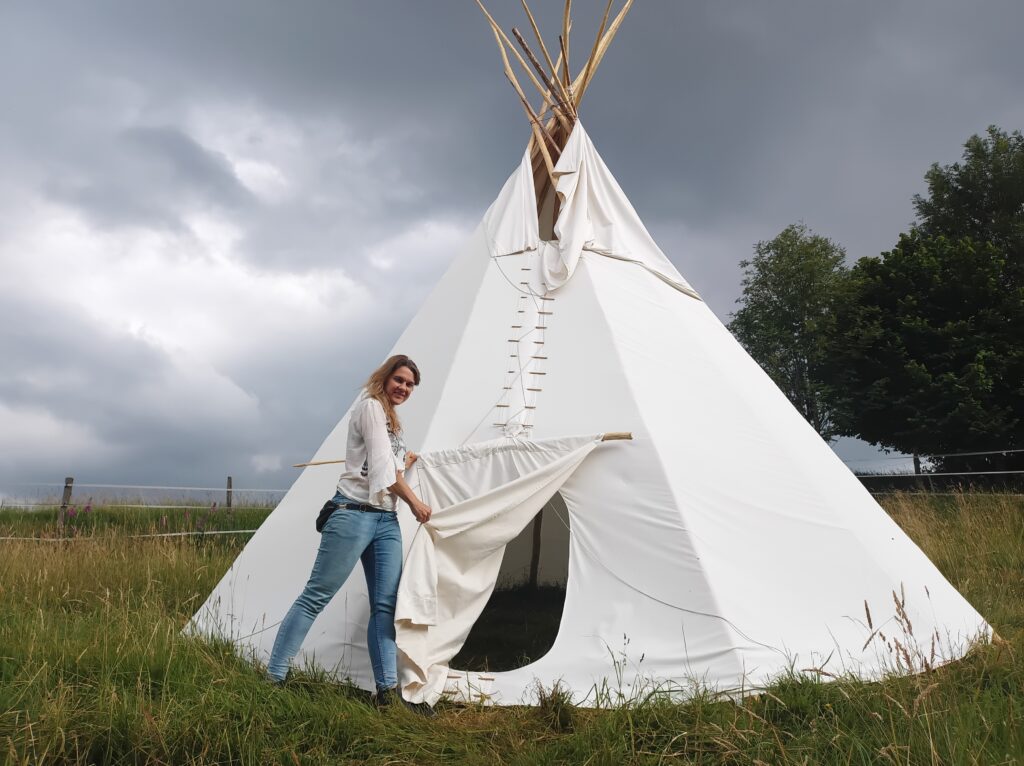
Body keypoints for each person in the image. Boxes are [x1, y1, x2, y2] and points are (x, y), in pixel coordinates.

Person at [266, 354, 432, 708]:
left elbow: (387, 464)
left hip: (385, 520)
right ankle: (274, 677)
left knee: (385, 606)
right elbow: (383, 473)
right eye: (399, 380)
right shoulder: (371, 408)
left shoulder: (393, 422)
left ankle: (386, 692)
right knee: (316, 595)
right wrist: (416, 503)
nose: (404, 388)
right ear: (385, 378)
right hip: (354, 512)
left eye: (410, 384)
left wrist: (406, 461)